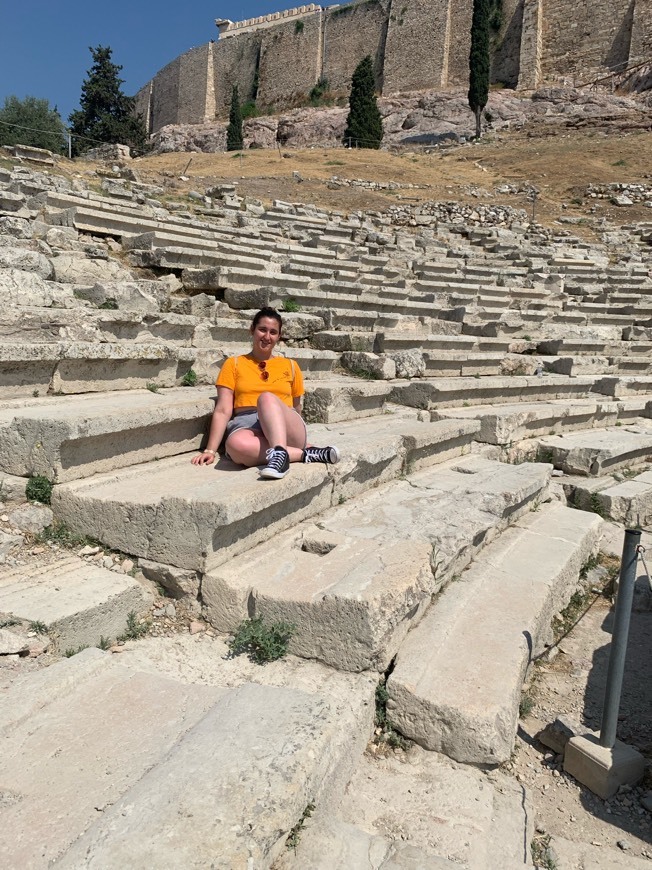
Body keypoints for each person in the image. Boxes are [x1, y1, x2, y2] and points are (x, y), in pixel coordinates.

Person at [191, 307, 340, 479]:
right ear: (252, 330)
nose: (267, 337)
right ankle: (304, 454)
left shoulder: (291, 366)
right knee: (235, 446)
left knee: (267, 398)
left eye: (273, 332)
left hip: (285, 422)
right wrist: (210, 449)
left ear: (279, 336)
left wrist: (299, 436)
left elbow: (296, 408)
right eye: (262, 330)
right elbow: (223, 410)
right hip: (247, 425)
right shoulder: (234, 364)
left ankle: (281, 453)